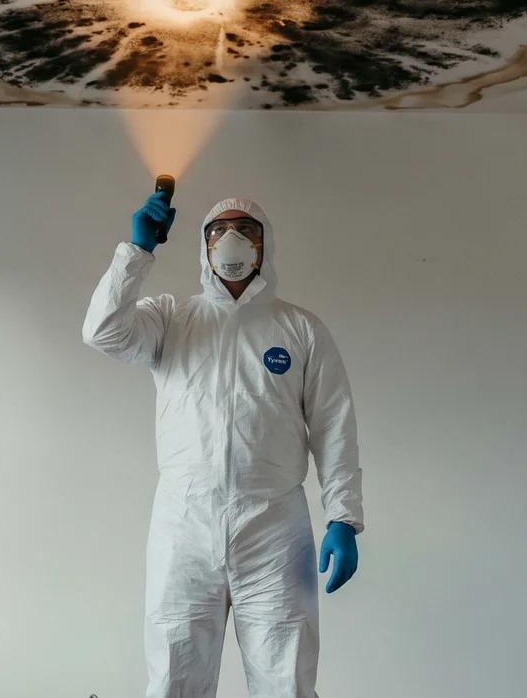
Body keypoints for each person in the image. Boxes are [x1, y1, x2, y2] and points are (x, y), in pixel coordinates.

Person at [83, 190, 364, 698]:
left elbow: (333, 424)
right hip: (184, 523)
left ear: (265, 243)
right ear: (204, 246)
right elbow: (103, 332)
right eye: (218, 230)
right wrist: (137, 251)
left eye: (246, 229)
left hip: (275, 526)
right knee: (175, 677)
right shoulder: (170, 319)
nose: (231, 238)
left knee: (286, 679)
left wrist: (343, 518)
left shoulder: (300, 329)